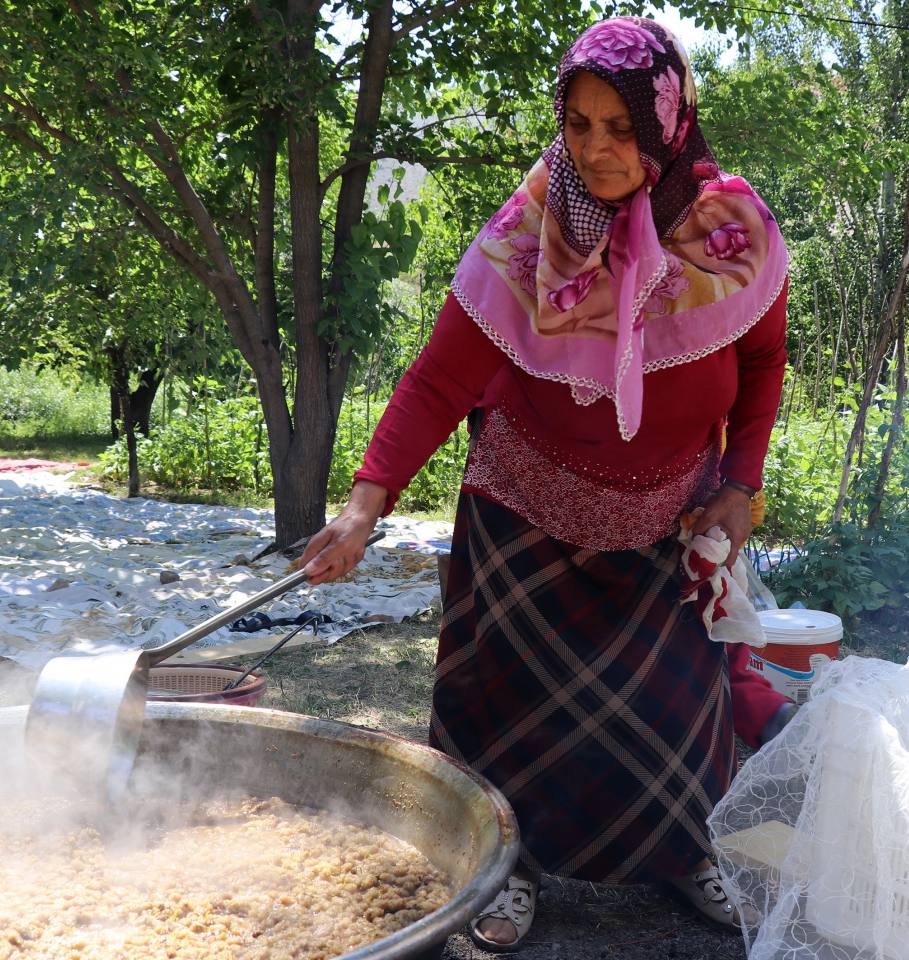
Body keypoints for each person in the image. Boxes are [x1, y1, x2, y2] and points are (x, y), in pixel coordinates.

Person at [301, 16, 789, 952]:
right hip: (527, 514)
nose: (598, 152)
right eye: (579, 125)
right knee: (508, 715)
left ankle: (688, 850)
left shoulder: (732, 230)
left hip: (667, 520)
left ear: (667, 123)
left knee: (676, 716)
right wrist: (366, 501)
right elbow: (439, 378)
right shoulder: (529, 233)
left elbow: (763, 361)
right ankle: (498, 870)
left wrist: (741, 480)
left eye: (621, 129)